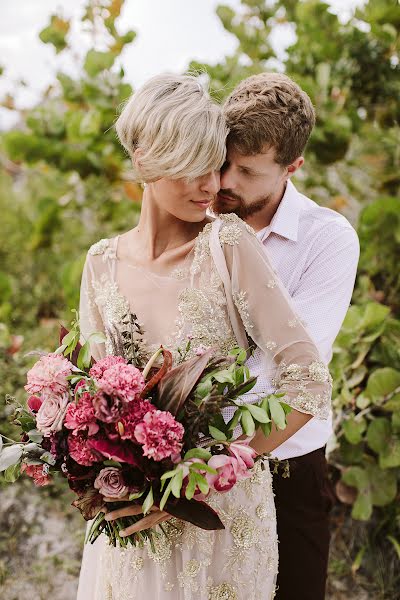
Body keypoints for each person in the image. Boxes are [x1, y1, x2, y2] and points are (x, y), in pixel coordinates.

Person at [76, 73, 332, 600]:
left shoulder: (228, 244)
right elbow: (92, 403)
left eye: (212, 164)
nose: (211, 186)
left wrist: (204, 476)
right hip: (129, 527)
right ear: (145, 159)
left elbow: (309, 384)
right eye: (192, 166)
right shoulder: (100, 263)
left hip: (221, 520)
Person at [213, 72, 360, 600]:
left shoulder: (327, 239)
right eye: (223, 161)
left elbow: (291, 366)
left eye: (247, 171)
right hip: (189, 451)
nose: (225, 181)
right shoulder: (201, 218)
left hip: (288, 464)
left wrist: (206, 431)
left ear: (292, 167)